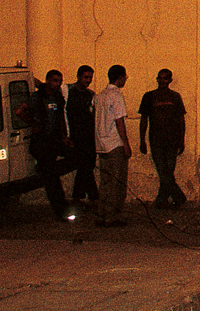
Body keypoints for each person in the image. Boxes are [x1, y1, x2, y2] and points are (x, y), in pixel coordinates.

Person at [16, 69, 71, 221]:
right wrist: (34, 124)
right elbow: (20, 111)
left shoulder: (57, 98)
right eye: (54, 81)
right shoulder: (37, 97)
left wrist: (63, 136)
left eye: (59, 81)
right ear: (48, 81)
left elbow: (59, 118)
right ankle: (60, 210)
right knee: (52, 179)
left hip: (53, 140)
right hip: (42, 141)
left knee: (75, 158)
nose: (57, 84)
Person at [137, 69, 187, 209]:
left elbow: (181, 120)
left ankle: (162, 199)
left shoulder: (176, 97)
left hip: (172, 140)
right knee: (162, 170)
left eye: (165, 78)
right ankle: (178, 196)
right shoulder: (149, 96)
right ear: (157, 79)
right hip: (156, 140)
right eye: (160, 78)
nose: (162, 81)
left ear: (170, 80)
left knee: (168, 171)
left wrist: (182, 140)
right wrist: (142, 140)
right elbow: (144, 119)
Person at [94, 64, 130, 227]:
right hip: (114, 143)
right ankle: (112, 215)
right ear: (120, 77)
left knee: (105, 181)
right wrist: (126, 144)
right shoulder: (116, 96)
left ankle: (102, 213)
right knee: (117, 181)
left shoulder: (99, 96)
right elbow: (119, 121)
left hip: (101, 144)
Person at [65, 65, 98, 209]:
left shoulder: (91, 95)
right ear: (78, 76)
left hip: (89, 136)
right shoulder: (68, 92)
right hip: (75, 136)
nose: (88, 80)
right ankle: (91, 197)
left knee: (86, 166)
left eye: (90, 78)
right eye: (86, 77)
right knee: (85, 165)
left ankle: (80, 197)